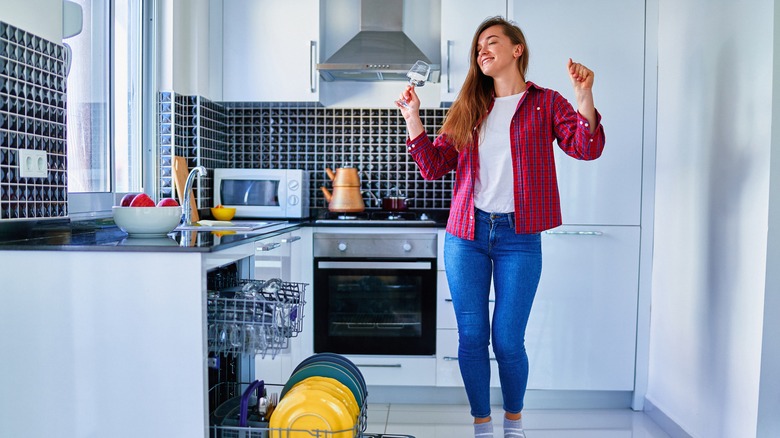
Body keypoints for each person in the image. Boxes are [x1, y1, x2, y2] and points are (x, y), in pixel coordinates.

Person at [396, 16, 605, 438]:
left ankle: (513, 423)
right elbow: (435, 167)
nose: (482, 51)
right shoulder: (469, 105)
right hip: (466, 235)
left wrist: (584, 96)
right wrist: (413, 118)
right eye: (478, 48)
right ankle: (481, 426)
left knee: (508, 340)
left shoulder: (546, 103)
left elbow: (586, 147)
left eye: (491, 43)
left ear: (517, 49)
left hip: (519, 237)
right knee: (472, 337)